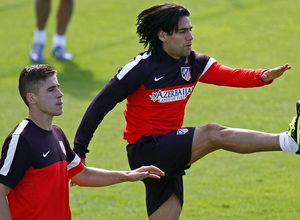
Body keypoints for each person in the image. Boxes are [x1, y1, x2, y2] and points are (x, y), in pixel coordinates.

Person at [73, 3, 299, 220]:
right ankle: (290, 141)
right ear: (163, 35)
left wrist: (263, 76)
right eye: (182, 32)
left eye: (190, 30)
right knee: (213, 133)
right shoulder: (140, 69)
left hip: (172, 149)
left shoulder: (195, 63)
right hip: (146, 150)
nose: (190, 37)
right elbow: (99, 107)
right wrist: (79, 153)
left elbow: (231, 75)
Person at [0, 64, 165, 220]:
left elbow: (82, 174)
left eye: (58, 87)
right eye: (51, 90)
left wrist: (129, 175)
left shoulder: (57, 133)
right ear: (32, 98)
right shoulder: (21, 140)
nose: (60, 93)